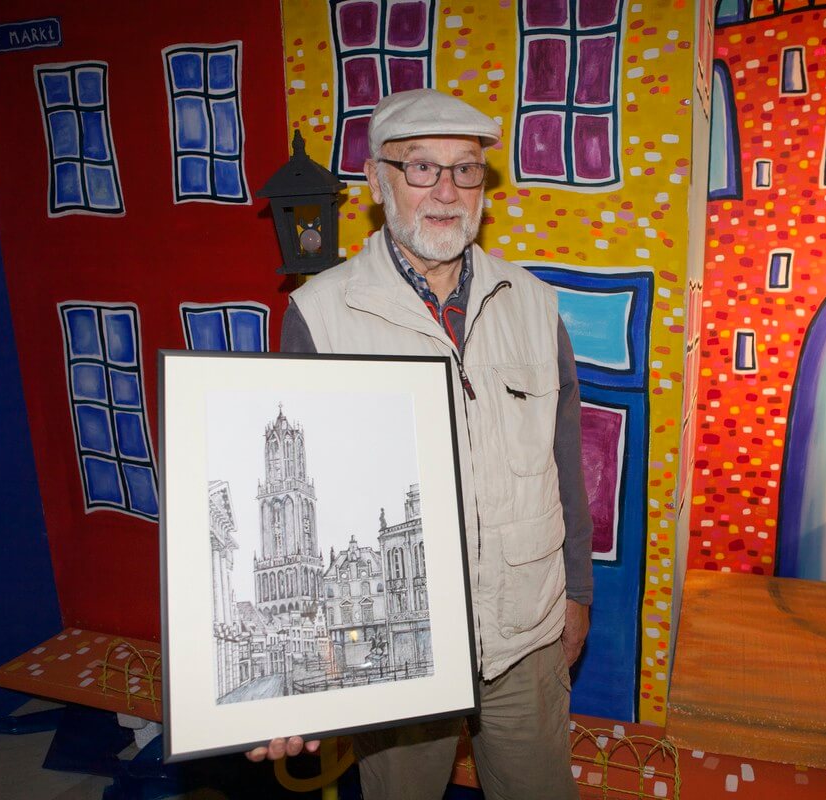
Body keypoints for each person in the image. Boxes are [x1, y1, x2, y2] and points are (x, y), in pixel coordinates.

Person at [246, 88, 593, 800]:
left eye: (466, 170)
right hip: (400, 651)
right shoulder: (320, 315)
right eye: (421, 168)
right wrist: (293, 691)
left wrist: (578, 593)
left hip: (525, 626)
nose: (446, 191)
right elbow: (318, 502)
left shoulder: (530, 303)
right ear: (376, 182)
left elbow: (565, 460)